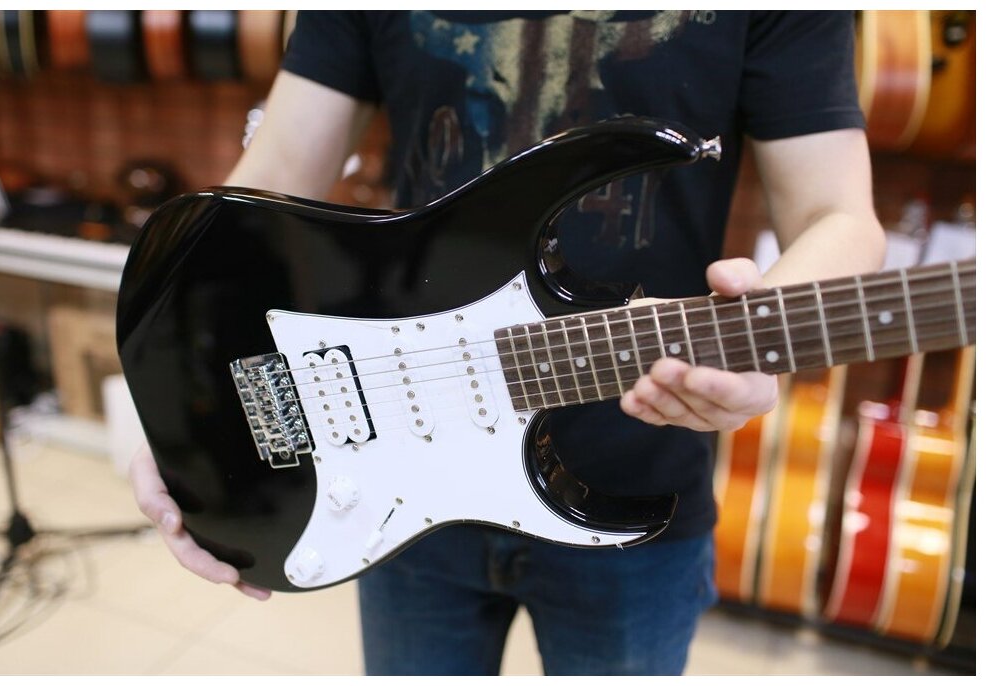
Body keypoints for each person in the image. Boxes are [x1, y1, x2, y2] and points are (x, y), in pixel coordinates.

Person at [129, 10, 886, 675]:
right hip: (391, 467)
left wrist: (753, 337)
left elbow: (839, 216)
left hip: (640, 477)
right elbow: (264, 190)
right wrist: (177, 399)